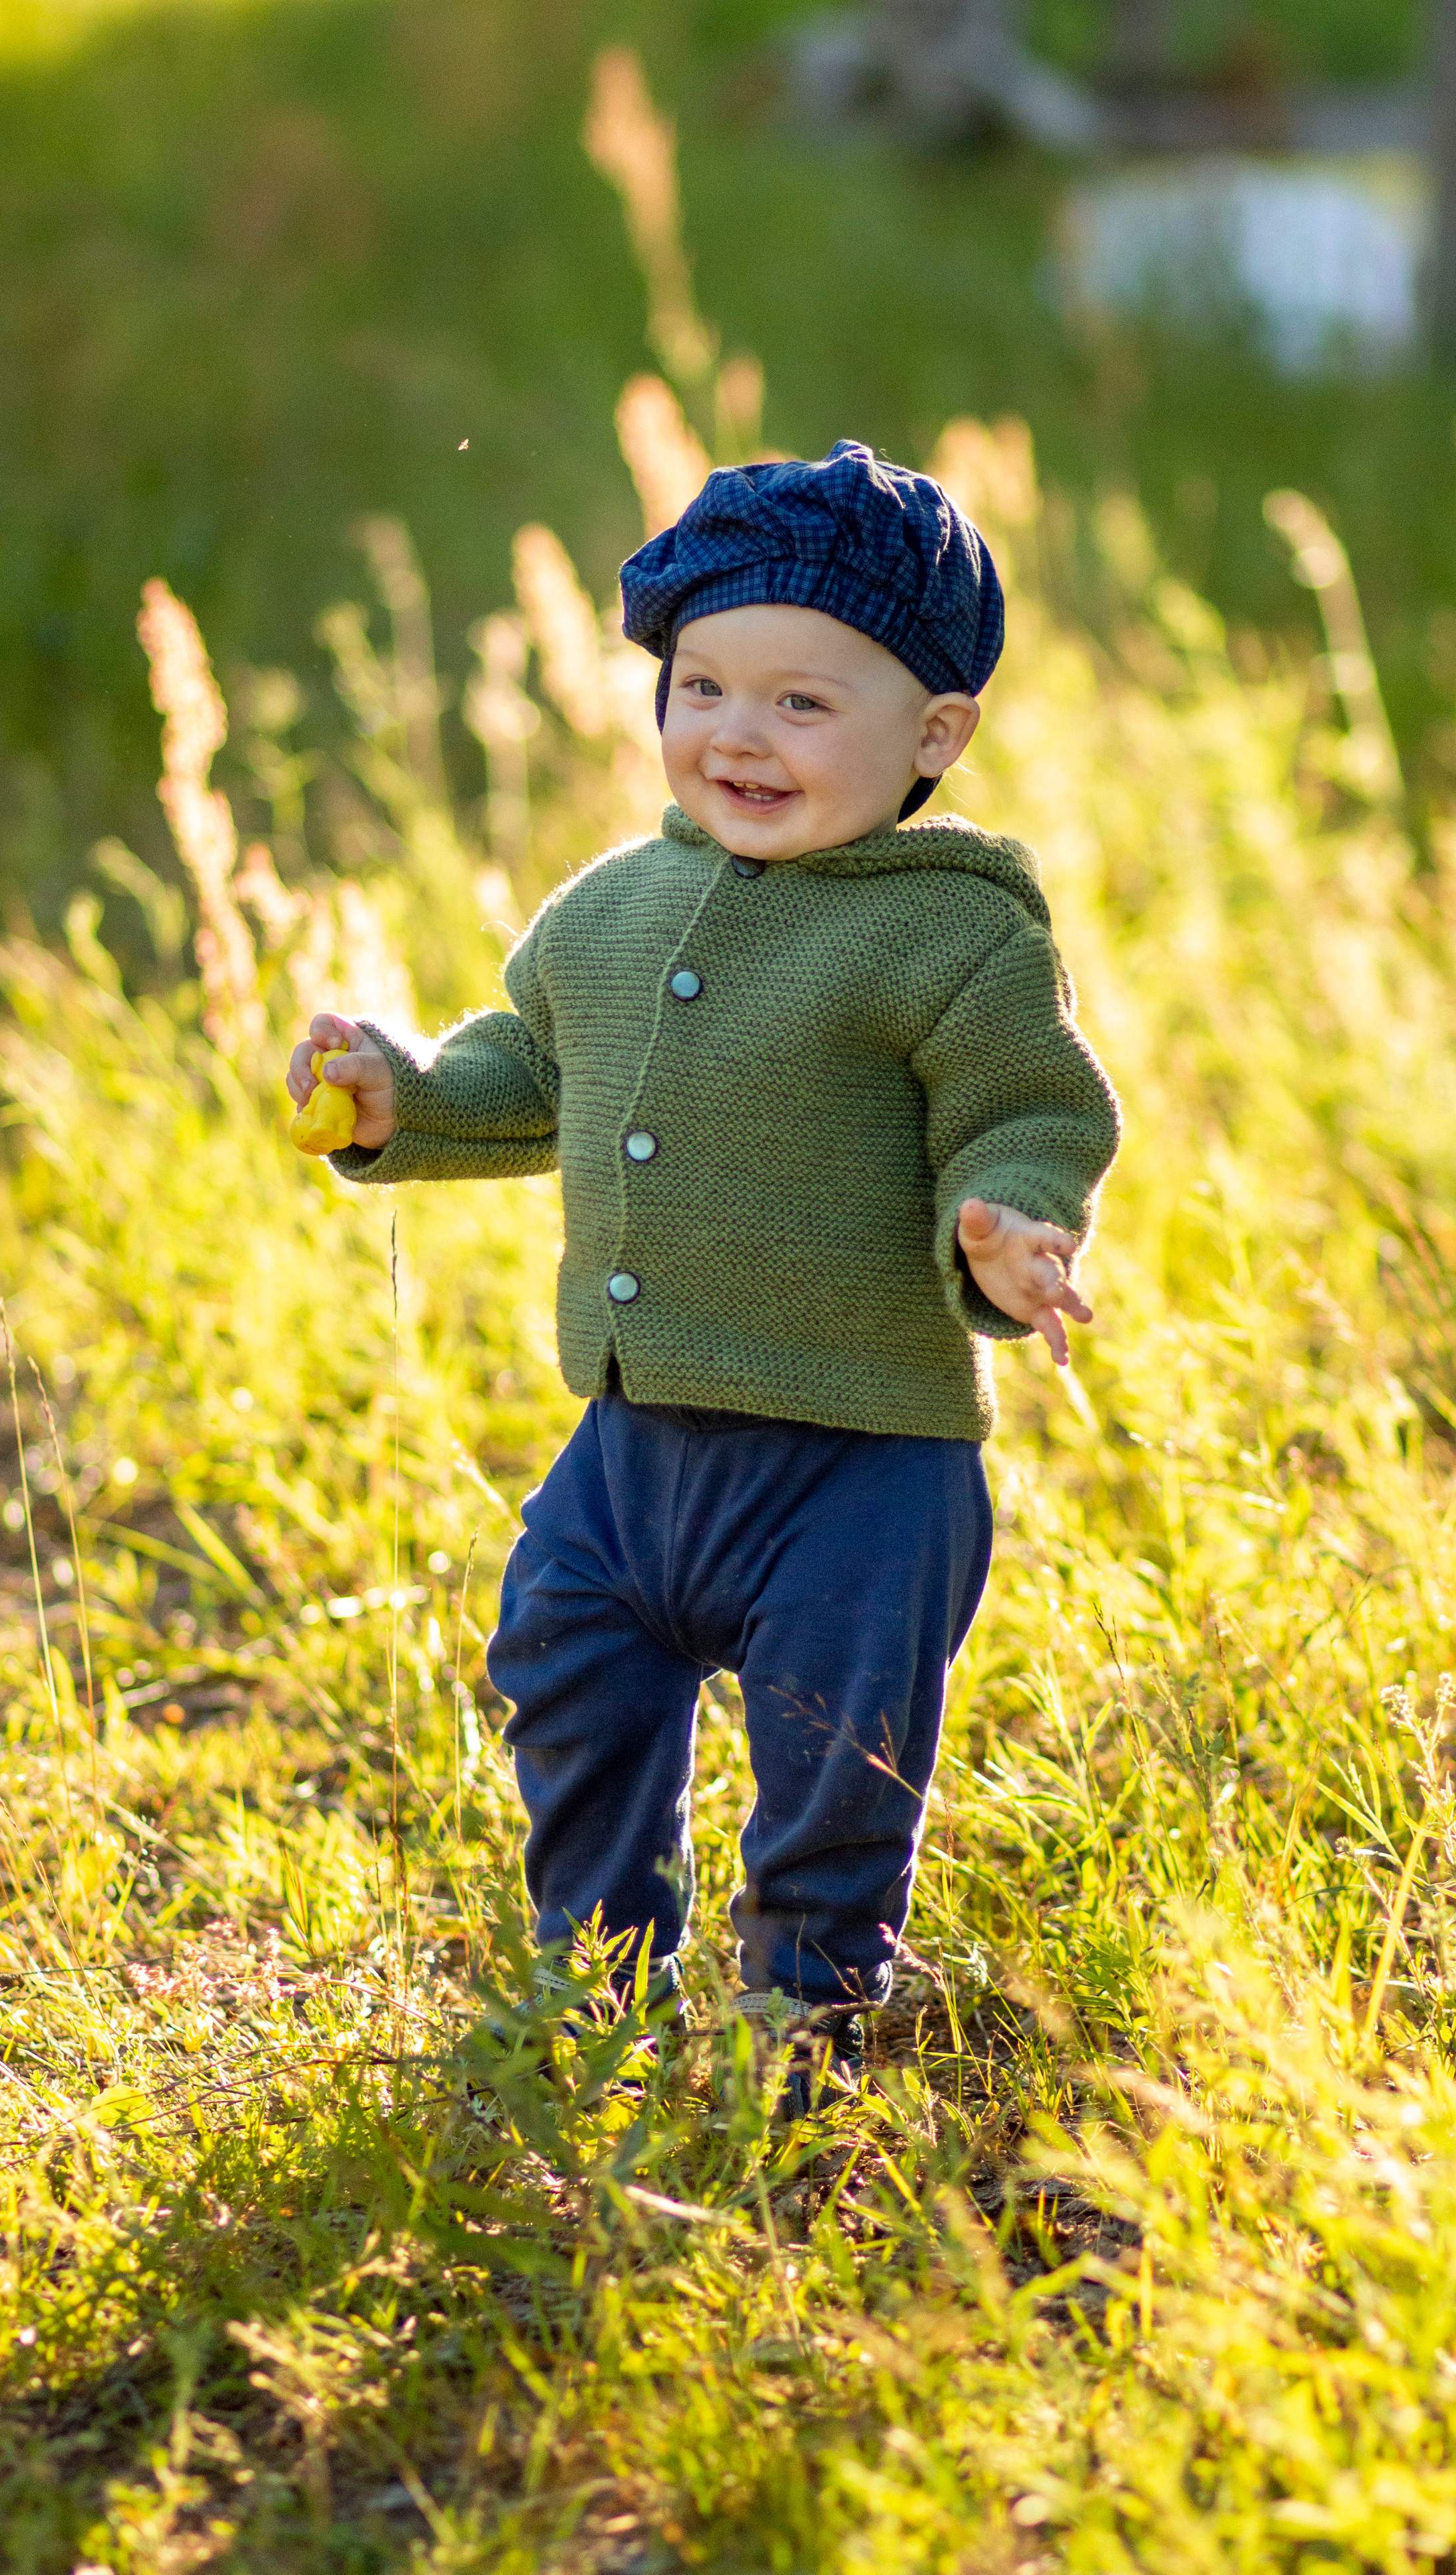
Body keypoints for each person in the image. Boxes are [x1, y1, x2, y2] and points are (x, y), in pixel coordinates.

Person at [286, 440, 1120, 2109]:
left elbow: (1024, 1112)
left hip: (859, 1467)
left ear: (930, 737)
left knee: (836, 1757)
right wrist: (403, 1093)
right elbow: (530, 1068)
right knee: (564, 1672)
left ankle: (807, 2004)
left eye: (805, 705)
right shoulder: (609, 907)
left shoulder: (949, 935)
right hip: (631, 1450)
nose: (736, 735)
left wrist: (1009, 1225)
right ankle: (593, 1972)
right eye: (701, 685)